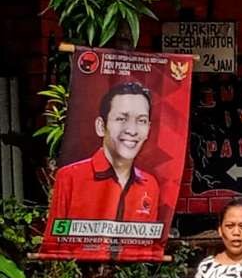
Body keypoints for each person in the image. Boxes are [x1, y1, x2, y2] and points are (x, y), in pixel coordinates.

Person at [43, 82, 161, 259]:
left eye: (141, 121)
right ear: (100, 126)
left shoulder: (150, 185)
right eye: (121, 119)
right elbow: (52, 247)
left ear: (148, 130)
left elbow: (148, 251)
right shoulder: (71, 177)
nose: (131, 130)